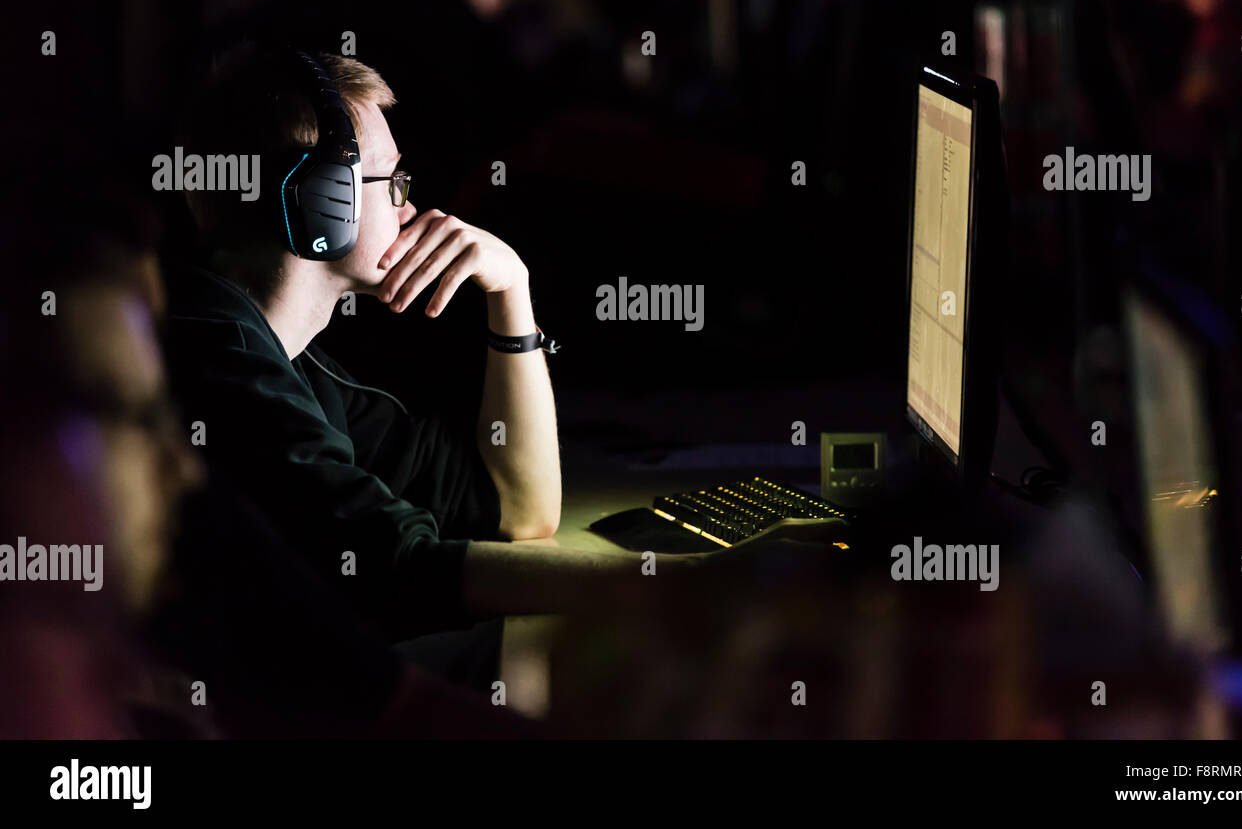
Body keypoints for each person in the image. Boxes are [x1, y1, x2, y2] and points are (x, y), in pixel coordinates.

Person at [164, 43, 845, 666]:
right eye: (391, 182)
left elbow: (516, 512)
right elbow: (396, 567)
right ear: (323, 204)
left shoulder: (292, 363)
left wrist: (511, 290)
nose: (410, 204)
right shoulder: (218, 358)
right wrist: (698, 582)